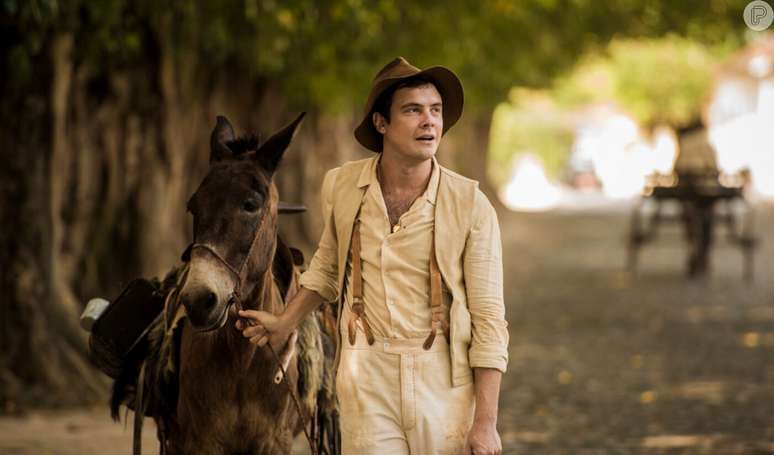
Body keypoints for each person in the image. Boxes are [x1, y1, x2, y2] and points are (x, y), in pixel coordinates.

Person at [236, 56, 508, 454]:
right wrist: (283, 322)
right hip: (365, 372)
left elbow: (488, 319)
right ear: (381, 124)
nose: (429, 121)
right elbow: (327, 269)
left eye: (435, 110)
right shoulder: (343, 185)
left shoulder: (470, 203)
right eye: (413, 110)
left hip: (444, 378)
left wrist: (485, 423)